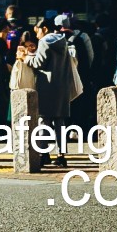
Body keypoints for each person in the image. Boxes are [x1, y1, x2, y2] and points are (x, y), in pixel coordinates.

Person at [31, 18, 82, 165]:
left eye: (37, 31)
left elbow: (38, 63)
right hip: (62, 86)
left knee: (43, 121)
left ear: (44, 29)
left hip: (46, 86)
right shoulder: (63, 42)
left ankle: (43, 153)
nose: (37, 35)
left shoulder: (44, 42)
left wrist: (26, 58)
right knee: (60, 122)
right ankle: (61, 156)